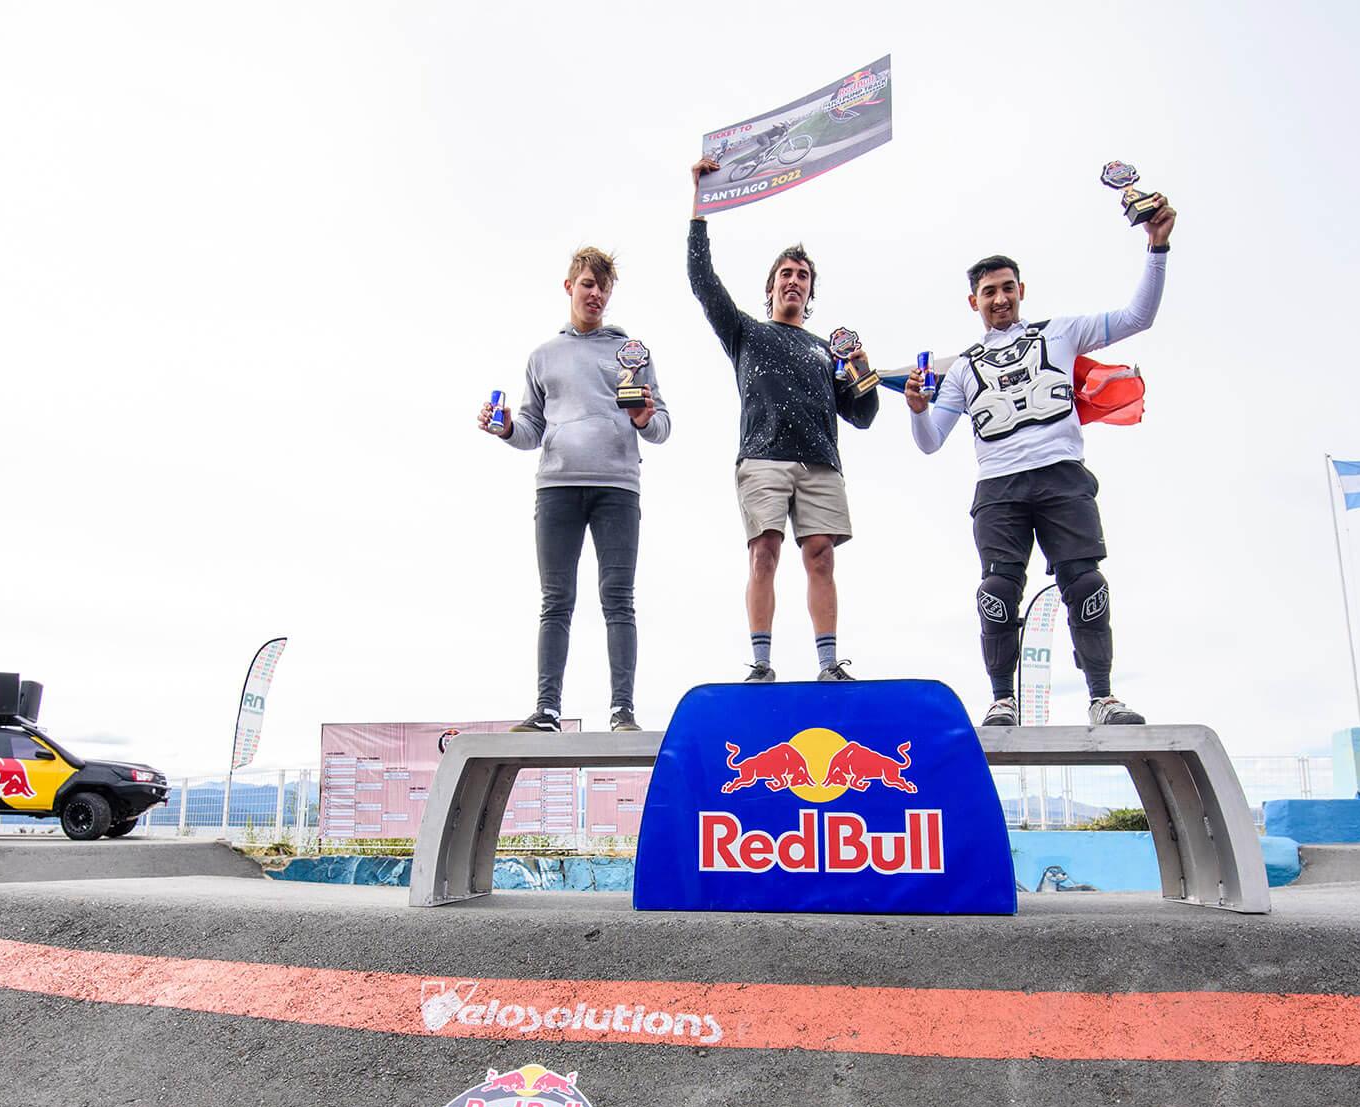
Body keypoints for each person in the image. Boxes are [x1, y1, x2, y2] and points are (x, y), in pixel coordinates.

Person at [904, 192, 1178, 726]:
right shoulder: (960, 368)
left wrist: (1157, 247)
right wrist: (916, 409)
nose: (999, 298)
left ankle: (1101, 696)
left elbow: (1138, 316)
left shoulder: (1063, 331)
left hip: (1062, 477)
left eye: (1007, 288)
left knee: (1085, 582)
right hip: (999, 489)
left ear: (1021, 291)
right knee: (998, 591)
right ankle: (1003, 700)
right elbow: (931, 440)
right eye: (988, 292)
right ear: (973, 302)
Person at [687, 155, 879, 683]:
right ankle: (763, 663)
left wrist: (860, 371)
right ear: (770, 286)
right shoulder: (746, 332)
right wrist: (699, 207)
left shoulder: (826, 350)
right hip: (763, 456)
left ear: (810, 292)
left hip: (820, 461)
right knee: (764, 552)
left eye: (803, 277)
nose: (794, 281)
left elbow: (862, 415)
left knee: (821, 557)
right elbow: (702, 281)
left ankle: (828, 664)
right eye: (786, 275)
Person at [478, 245, 669, 733]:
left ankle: (622, 711)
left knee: (618, 598)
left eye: (604, 287)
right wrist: (503, 429)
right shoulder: (543, 356)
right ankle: (547, 710)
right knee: (556, 600)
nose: (597, 294)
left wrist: (645, 420)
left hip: (618, 488)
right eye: (588, 284)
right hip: (557, 488)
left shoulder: (632, 353)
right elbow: (529, 429)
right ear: (570, 286)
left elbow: (662, 425)